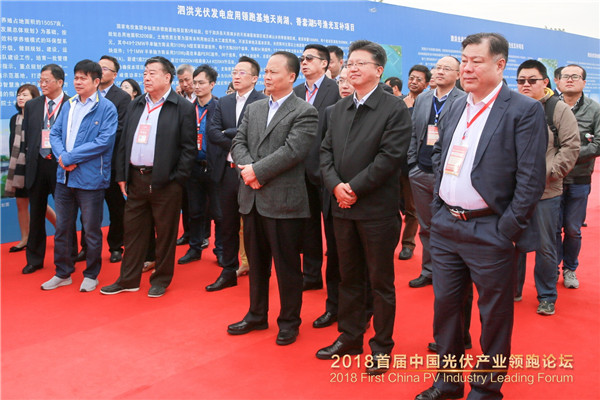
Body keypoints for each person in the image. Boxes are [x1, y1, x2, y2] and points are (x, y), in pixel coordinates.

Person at [414, 33, 547, 400]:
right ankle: (448, 382)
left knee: (494, 316)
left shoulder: (523, 109)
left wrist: (506, 228)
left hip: (491, 229)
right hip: (446, 226)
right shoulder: (457, 104)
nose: (467, 68)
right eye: (464, 60)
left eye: (476, 61)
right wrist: (439, 208)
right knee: (447, 309)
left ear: (499, 64)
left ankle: (486, 389)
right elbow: (440, 153)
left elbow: (531, 178)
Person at [317, 40, 411, 376]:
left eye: (360, 63)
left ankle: (382, 346)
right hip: (342, 208)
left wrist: (353, 189)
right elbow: (325, 153)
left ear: (379, 70)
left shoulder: (394, 108)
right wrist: (336, 187)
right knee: (349, 277)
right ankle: (350, 336)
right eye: (349, 63)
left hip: (376, 212)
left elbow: (389, 158)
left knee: (380, 282)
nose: (352, 68)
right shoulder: (337, 109)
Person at [227, 51, 318, 346]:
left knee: (287, 266)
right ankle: (256, 314)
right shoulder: (254, 108)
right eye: (265, 71)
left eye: (273, 72)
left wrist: (256, 171)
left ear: (291, 76)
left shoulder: (304, 111)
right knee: (257, 263)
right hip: (251, 197)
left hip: (283, 202)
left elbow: (293, 151)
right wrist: (247, 171)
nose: (266, 76)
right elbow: (238, 142)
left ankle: (289, 321)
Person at [100, 56, 196, 298]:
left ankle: (161, 279)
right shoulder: (137, 104)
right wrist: (122, 174)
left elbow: (188, 149)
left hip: (166, 181)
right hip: (136, 177)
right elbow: (124, 141)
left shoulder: (182, 107)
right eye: (145, 73)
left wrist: (177, 179)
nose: (146, 77)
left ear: (167, 77)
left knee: (165, 233)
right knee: (133, 232)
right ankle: (128, 279)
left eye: (152, 73)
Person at [40, 59, 118, 292]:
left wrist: (71, 157)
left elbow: (103, 142)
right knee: (62, 228)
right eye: (76, 77)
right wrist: (63, 157)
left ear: (96, 81)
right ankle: (62, 272)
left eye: (83, 78)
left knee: (91, 230)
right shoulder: (69, 104)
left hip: (91, 179)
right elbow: (55, 133)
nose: (78, 82)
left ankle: (91, 274)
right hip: (64, 177)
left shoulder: (107, 108)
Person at [514, 59, 580, 314]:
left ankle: (547, 296)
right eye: (521, 81)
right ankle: (513, 290)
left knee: (545, 246)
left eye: (532, 80)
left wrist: (551, 173)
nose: (526, 85)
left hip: (546, 191)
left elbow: (571, 146)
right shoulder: (512, 106)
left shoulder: (557, 109)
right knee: (512, 243)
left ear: (545, 82)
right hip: (514, 191)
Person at [206, 56, 266, 291]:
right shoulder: (224, 101)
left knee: (253, 226)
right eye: (234, 72)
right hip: (228, 172)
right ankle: (228, 270)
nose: (236, 76)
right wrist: (237, 138)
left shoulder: (263, 101)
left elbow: (256, 135)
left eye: (242, 72)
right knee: (227, 223)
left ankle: (258, 270)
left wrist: (230, 133)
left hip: (250, 171)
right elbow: (212, 132)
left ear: (254, 78)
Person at [407, 56, 464, 288]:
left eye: (446, 68)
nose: (440, 71)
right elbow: (413, 133)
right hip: (420, 172)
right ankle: (429, 270)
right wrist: (412, 164)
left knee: (451, 226)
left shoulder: (464, 100)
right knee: (426, 226)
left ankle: (451, 273)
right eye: (437, 67)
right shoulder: (423, 98)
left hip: (449, 175)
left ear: (458, 74)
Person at [293, 44, 341, 292]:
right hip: (299, 171)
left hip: (327, 171)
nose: (304, 62)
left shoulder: (337, 89)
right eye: (302, 58)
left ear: (324, 63)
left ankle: (337, 279)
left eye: (309, 58)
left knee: (333, 231)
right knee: (307, 228)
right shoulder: (296, 91)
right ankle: (311, 275)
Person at [77, 56, 131, 264]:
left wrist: (95, 139)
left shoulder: (122, 97)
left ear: (115, 74)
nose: (100, 70)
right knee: (88, 209)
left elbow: (120, 128)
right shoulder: (86, 94)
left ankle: (116, 246)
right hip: (88, 163)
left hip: (111, 162)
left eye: (105, 68)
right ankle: (87, 248)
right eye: (98, 67)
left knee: (116, 207)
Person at [21, 64, 74, 274]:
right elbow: (28, 136)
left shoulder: (72, 104)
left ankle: (69, 255)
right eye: (40, 80)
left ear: (60, 82)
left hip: (61, 165)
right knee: (36, 213)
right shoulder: (33, 105)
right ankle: (34, 259)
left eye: (46, 81)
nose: (42, 84)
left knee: (66, 214)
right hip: (37, 165)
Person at [556, 64, 600, 289]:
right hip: (552, 179)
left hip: (579, 179)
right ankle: (552, 268)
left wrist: (566, 155)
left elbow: (598, 144)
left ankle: (570, 269)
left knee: (573, 230)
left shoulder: (595, 109)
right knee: (553, 229)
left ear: (584, 82)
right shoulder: (550, 105)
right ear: (558, 81)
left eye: (575, 76)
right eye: (566, 76)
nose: (570, 79)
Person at [177, 64, 223, 267]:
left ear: (212, 84)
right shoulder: (187, 108)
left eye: (201, 83)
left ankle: (220, 250)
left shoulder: (220, 107)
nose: (196, 86)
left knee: (219, 213)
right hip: (193, 167)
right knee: (194, 211)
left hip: (214, 167)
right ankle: (194, 248)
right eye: (194, 82)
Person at [6, 84, 56, 253]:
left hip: (34, 165)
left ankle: (61, 230)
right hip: (18, 167)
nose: (20, 98)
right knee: (21, 203)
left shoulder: (39, 117)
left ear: (34, 98)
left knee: (39, 204)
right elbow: (12, 144)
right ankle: (25, 238)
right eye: (19, 95)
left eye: (25, 95)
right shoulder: (14, 119)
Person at [397, 65, 430, 261]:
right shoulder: (398, 101)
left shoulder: (427, 104)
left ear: (426, 84)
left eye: (419, 79)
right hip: (393, 162)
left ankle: (408, 244)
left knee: (411, 208)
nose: (414, 82)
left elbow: (422, 132)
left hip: (412, 164)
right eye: (411, 78)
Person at [175, 64, 196, 247]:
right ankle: (187, 232)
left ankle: (202, 234)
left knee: (199, 202)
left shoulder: (206, 99)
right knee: (184, 201)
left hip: (199, 158)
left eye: (187, 79)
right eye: (181, 81)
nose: (185, 84)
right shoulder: (178, 101)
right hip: (181, 158)